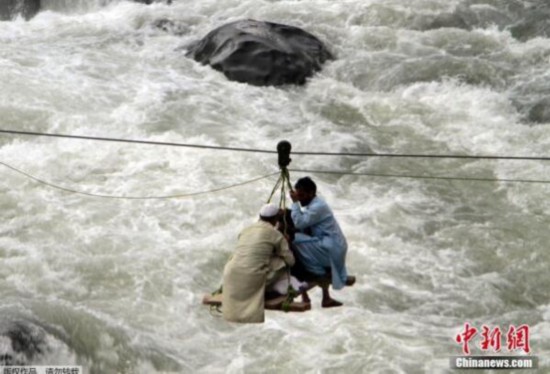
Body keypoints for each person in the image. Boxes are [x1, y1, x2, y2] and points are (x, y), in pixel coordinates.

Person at [222, 203, 295, 323]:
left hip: (230, 274)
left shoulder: (246, 230)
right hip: (251, 277)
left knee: (249, 258)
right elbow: (291, 261)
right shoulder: (276, 234)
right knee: (281, 262)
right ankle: (267, 289)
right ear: (276, 219)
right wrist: (286, 242)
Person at [290, 177, 352, 307]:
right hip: (332, 246)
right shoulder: (315, 204)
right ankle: (326, 297)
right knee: (301, 237)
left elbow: (299, 222)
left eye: (302, 195)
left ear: (312, 193)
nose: (299, 198)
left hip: (331, 249)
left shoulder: (318, 207)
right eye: (298, 195)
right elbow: (303, 225)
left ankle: (316, 273)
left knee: (292, 242)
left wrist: (294, 203)